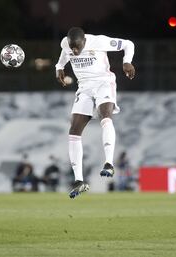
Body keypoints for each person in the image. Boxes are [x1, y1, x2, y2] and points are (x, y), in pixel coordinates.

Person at [55, 27, 135, 199]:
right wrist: (59, 67)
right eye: (72, 47)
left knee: (105, 117)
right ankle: (79, 180)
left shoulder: (98, 41)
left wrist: (126, 62)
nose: (74, 51)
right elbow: (64, 54)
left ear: (84, 41)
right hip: (83, 87)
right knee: (74, 132)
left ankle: (108, 163)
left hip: (103, 83)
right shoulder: (65, 43)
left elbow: (128, 44)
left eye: (77, 47)